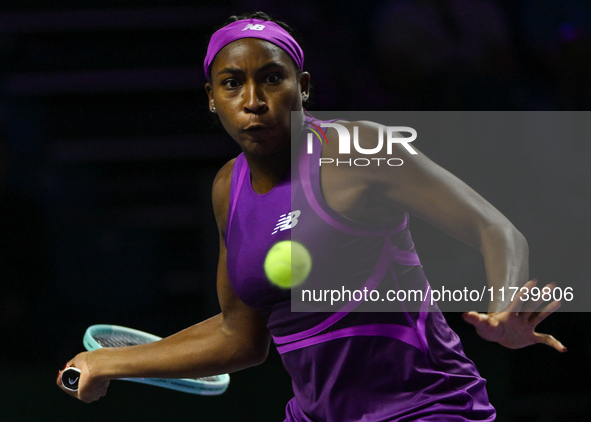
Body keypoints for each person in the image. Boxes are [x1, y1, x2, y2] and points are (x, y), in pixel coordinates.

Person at [57, 12, 565, 421]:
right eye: (232, 84)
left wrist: (502, 308)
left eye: (272, 79)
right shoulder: (225, 189)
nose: (253, 101)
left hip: (426, 408)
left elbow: (493, 227)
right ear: (212, 99)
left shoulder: (357, 149)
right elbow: (241, 336)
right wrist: (109, 363)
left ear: (301, 86)